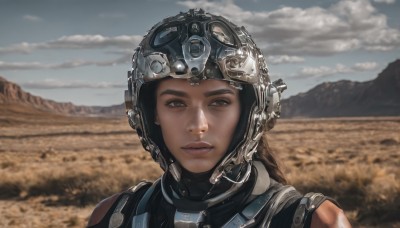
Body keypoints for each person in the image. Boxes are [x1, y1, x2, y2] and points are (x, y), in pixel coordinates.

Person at [87, 8, 352, 228]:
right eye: (175, 103)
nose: (197, 125)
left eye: (219, 102)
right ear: (150, 113)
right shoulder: (113, 217)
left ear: (251, 111)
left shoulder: (317, 222)